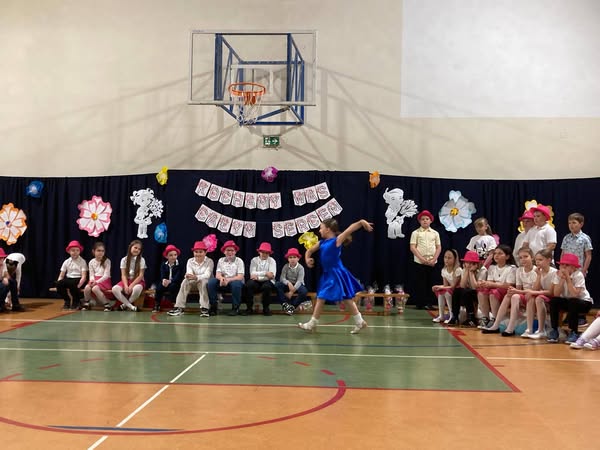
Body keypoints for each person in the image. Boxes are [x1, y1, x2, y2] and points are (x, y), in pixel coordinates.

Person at [298, 218, 373, 334]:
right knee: (346, 298)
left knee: (321, 296)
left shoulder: (337, 241)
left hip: (336, 273)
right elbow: (309, 251)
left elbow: (350, 229)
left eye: (321, 228)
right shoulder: (322, 243)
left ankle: (312, 324)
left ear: (328, 229)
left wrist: (361, 222)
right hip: (328, 273)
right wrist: (307, 259)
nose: (319, 230)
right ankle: (360, 321)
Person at [482, 247, 537, 336]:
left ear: (532, 257)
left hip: (533, 295)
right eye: (520, 258)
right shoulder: (519, 270)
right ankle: (496, 324)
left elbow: (535, 290)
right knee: (511, 294)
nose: (523, 259)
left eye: (526, 256)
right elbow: (519, 288)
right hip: (523, 294)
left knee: (515, 295)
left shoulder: (536, 270)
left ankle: (510, 328)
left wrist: (516, 291)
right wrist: (514, 291)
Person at [547, 253, 593, 344]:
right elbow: (556, 294)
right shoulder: (558, 275)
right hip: (569, 301)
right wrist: (562, 279)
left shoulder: (578, 275)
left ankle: (574, 331)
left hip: (583, 302)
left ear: (574, 267)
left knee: (573, 301)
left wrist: (567, 278)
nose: (563, 267)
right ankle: (554, 329)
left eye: (567, 265)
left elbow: (575, 294)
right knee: (554, 301)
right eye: (562, 265)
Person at [168, 241, 214, 317]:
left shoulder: (209, 261)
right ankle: (179, 307)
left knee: (203, 282)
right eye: (196, 252)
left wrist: (196, 277)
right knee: (185, 281)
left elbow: (207, 275)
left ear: (205, 252)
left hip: (205, 283)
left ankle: (205, 308)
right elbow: (189, 273)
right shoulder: (190, 261)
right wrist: (188, 276)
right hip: (194, 282)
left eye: (200, 252)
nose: (198, 254)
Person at [476, 245, 516, 328]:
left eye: (500, 253)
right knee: (481, 291)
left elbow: (508, 285)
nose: (496, 255)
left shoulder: (511, 268)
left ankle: (495, 319)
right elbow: (490, 282)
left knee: (493, 293)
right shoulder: (492, 267)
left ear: (507, 256)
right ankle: (486, 317)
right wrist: (484, 283)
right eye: (495, 253)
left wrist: (492, 284)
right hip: (496, 289)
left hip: (506, 292)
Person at [409, 210, 441, 310]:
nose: (425, 221)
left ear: (430, 220)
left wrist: (434, 259)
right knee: (420, 283)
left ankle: (429, 303)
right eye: (422, 219)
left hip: (432, 262)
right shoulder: (416, 233)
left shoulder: (435, 233)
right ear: (419, 221)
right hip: (419, 262)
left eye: (427, 219)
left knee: (431, 283)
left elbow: (438, 247)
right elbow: (412, 247)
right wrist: (422, 259)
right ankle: (420, 303)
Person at [448, 251, 487, 327]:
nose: (468, 265)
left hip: (481, 294)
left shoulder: (483, 270)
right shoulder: (464, 269)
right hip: (468, 292)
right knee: (457, 291)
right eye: (467, 262)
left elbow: (475, 287)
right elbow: (462, 285)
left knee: (467, 292)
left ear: (476, 264)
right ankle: (455, 316)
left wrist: (471, 273)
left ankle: (471, 318)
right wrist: (466, 271)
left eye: (471, 263)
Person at [207, 240, 245, 316]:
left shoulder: (239, 261)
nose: (230, 252)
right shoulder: (221, 260)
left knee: (236, 284)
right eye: (228, 250)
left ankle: (235, 308)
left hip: (234, 281)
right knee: (211, 282)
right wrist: (221, 279)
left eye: (232, 250)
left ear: (235, 252)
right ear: (224, 251)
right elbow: (218, 274)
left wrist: (228, 280)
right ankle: (213, 306)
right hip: (223, 281)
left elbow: (240, 276)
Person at [111, 240, 146, 312]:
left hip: (137, 281)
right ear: (130, 247)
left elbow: (140, 275)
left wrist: (131, 285)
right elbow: (123, 275)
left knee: (137, 289)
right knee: (115, 289)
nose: (137, 250)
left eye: (139, 249)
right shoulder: (124, 260)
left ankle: (124, 305)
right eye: (135, 247)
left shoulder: (142, 260)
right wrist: (126, 285)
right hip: (127, 280)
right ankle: (132, 307)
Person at [245, 242, 277, 316]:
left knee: (267, 287)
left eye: (267, 253)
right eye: (263, 252)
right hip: (256, 281)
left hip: (267, 281)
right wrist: (266, 273)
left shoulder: (272, 261)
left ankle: (266, 308)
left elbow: (272, 275)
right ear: (259, 252)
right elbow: (252, 273)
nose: (264, 254)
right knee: (249, 285)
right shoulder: (254, 260)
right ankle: (249, 308)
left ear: (269, 253)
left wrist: (258, 276)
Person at [431, 249, 462, 323]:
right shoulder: (444, 270)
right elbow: (445, 285)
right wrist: (438, 287)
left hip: (458, 290)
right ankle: (441, 315)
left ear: (455, 259)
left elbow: (453, 286)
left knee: (447, 292)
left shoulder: (458, 270)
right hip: (450, 289)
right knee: (441, 292)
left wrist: (441, 287)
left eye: (449, 258)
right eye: (445, 257)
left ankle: (452, 315)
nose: (446, 260)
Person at [276, 247, 309, 315]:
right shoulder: (285, 266)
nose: (292, 259)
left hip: (297, 285)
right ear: (288, 259)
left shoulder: (301, 268)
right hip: (289, 284)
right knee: (278, 284)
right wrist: (288, 283)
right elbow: (282, 278)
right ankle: (285, 304)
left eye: (294, 257)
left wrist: (292, 291)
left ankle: (292, 306)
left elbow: (300, 280)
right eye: (290, 257)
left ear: (298, 258)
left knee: (304, 291)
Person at [56, 240, 88, 310]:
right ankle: (67, 300)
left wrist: (79, 285)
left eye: (77, 250)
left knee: (72, 284)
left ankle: (76, 301)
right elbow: (61, 275)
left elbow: (84, 276)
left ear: (79, 251)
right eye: (73, 250)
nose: (75, 252)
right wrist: (59, 283)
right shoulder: (66, 261)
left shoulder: (82, 261)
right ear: (69, 251)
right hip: (69, 279)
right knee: (59, 284)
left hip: (78, 278)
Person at [152, 244, 184, 313]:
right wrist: (164, 280)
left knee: (173, 287)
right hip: (166, 282)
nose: (173, 257)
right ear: (166, 256)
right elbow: (162, 274)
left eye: (175, 255)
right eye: (171, 255)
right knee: (159, 288)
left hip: (175, 282)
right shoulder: (164, 264)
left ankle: (175, 304)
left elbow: (178, 276)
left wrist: (170, 281)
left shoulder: (179, 264)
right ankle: (157, 304)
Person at [82, 242, 113, 311]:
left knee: (95, 288)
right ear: (93, 251)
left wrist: (96, 282)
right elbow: (91, 274)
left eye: (102, 251)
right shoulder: (91, 262)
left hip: (104, 280)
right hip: (95, 279)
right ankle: (87, 303)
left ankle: (107, 304)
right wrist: (92, 280)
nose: (101, 252)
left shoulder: (107, 261)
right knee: (87, 287)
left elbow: (106, 275)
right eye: (98, 250)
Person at [560, 212, 592, 278]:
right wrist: (561, 267)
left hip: (578, 270)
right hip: (566, 269)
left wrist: (584, 270)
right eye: (569, 223)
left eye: (574, 223)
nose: (571, 225)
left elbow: (588, 256)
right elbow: (563, 253)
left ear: (581, 224)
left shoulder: (585, 238)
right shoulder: (566, 237)